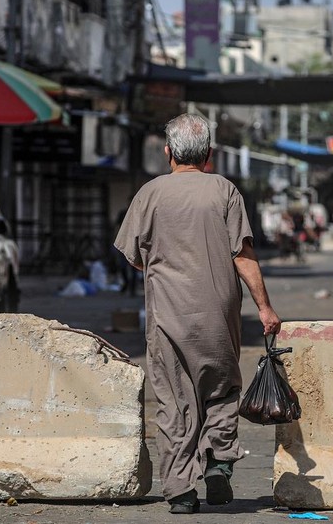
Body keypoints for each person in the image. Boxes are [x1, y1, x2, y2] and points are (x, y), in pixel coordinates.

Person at [114, 113, 282, 514]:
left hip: (168, 318)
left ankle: (181, 493)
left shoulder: (149, 194)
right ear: (209, 153)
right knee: (221, 390)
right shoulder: (225, 191)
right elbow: (243, 256)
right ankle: (219, 464)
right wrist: (265, 307)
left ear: (168, 152)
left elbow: (136, 259)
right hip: (219, 317)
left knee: (173, 400)